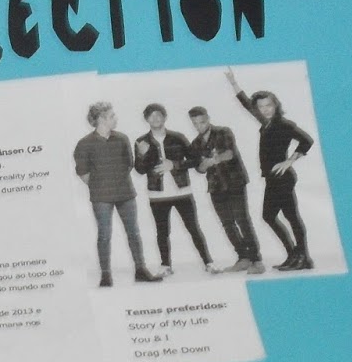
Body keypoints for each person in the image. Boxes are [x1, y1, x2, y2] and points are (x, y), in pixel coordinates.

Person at [224, 68, 316, 271]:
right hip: (272, 178)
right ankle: (294, 255)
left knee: (291, 217)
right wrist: (233, 83)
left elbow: (307, 141)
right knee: (269, 216)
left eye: (269, 105)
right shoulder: (266, 123)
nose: (265, 109)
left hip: (283, 178)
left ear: (275, 105)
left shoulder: (282, 124)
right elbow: (247, 104)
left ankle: (303, 258)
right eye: (261, 106)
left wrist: (289, 161)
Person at [73, 102, 161, 287]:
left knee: (134, 232)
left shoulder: (122, 138)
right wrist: (101, 185)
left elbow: (129, 164)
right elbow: (83, 173)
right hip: (101, 198)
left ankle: (141, 270)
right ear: (101, 119)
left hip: (126, 193)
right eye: (112, 116)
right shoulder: (84, 144)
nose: (116, 118)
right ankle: (106, 276)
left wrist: (114, 181)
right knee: (104, 235)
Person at [134, 103, 217, 277]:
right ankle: (165, 266)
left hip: (182, 192)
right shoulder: (141, 141)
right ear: (146, 119)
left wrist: (174, 165)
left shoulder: (178, 137)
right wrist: (143, 154)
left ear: (164, 117)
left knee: (193, 228)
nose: (155, 118)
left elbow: (195, 160)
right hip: (157, 194)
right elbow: (140, 170)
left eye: (159, 114)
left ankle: (208, 262)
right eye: (151, 115)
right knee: (162, 231)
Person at [188, 106, 264, 275]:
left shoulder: (223, 132)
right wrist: (204, 165)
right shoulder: (196, 143)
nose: (199, 126)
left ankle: (257, 261)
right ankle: (243, 258)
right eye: (195, 123)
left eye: (202, 122)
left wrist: (214, 160)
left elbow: (229, 153)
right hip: (215, 186)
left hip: (234, 182)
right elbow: (199, 168)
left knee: (242, 220)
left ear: (208, 118)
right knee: (227, 223)